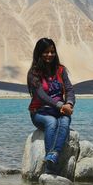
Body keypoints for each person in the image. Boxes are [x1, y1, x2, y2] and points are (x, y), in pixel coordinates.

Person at [27, 38, 75, 174]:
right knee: (52, 122)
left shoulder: (61, 70)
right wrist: (61, 105)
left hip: (60, 110)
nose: (50, 55)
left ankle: (53, 155)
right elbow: (42, 96)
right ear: (39, 53)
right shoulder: (34, 74)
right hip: (39, 112)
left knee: (64, 122)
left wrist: (69, 103)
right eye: (46, 52)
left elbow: (70, 89)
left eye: (52, 52)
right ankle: (50, 169)